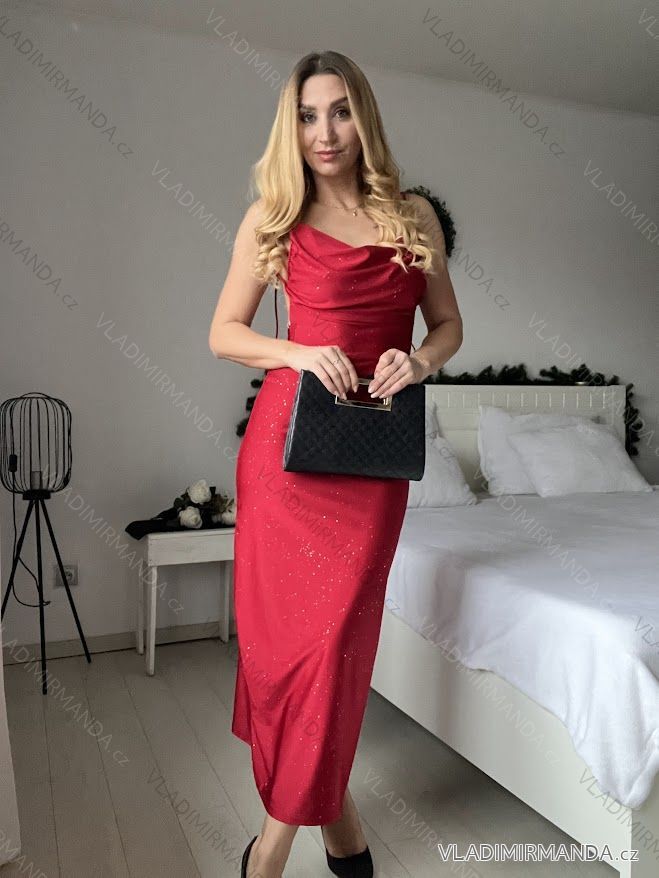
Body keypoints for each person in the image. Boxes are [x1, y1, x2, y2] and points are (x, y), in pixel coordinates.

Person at [208, 50, 462, 878]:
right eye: (308, 116)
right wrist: (296, 350)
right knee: (294, 658)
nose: (325, 132)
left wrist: (417, 362)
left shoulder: (412, 217)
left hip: (371, 462)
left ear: (365, 119)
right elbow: (223, 333)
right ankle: (344, 844)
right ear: (292, 127)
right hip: (286, 461)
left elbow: (447, 326)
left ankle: (266, 853)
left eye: (341, 111)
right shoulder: (273, 217)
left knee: (334, 653)